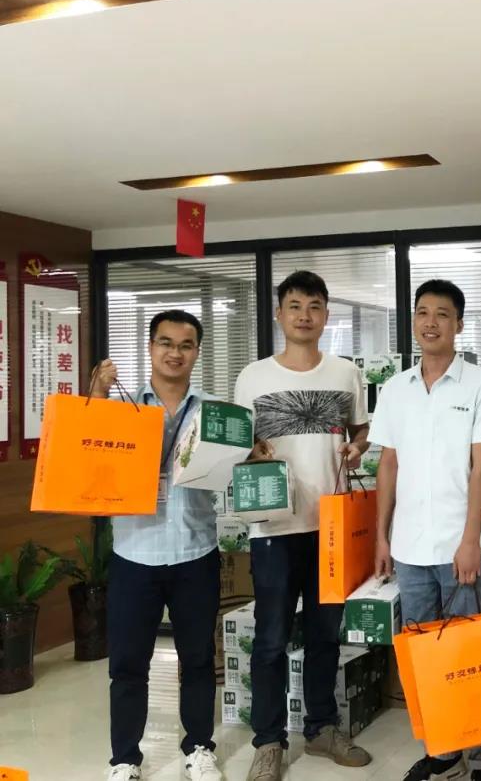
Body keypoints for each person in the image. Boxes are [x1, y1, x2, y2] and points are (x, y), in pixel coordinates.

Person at [234, 271, 370, 781]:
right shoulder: (253, 377)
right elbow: (237, 444)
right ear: (279, 314)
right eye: (295, 306)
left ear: (326, 316)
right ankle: (269, 742)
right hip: (272, 527)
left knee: (324, 634)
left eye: (314, 306)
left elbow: (361, 429)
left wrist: (357, 447)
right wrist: (251, 451)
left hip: (331, 526)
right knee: (270, 638)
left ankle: (321, 729)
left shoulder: (345, 373)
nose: (304, 315)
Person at [370, 279, 481, 781]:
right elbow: (388, 464)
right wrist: (382, 536)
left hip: (464, 548)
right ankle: (445, 752)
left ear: (459, 324)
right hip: (410, 550)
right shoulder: (395, 390)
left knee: (475, 652)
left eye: (442, 314)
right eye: (423, 313)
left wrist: (470, 540)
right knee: (426, 658)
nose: (431, 323)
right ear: (413, 322)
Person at [93, 310, 224, 781]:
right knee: (128, 664)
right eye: (165, 342)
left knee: (198, 659)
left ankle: (199, 748)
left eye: (186, 345)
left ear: (197, 352)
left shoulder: (213, 412)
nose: (175, 353)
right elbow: (89, 446)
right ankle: (125, 759)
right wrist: (98, 392)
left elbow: (230, 465)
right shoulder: (121, 407)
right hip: (135, 553)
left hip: (195, 551)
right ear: (150, 348)